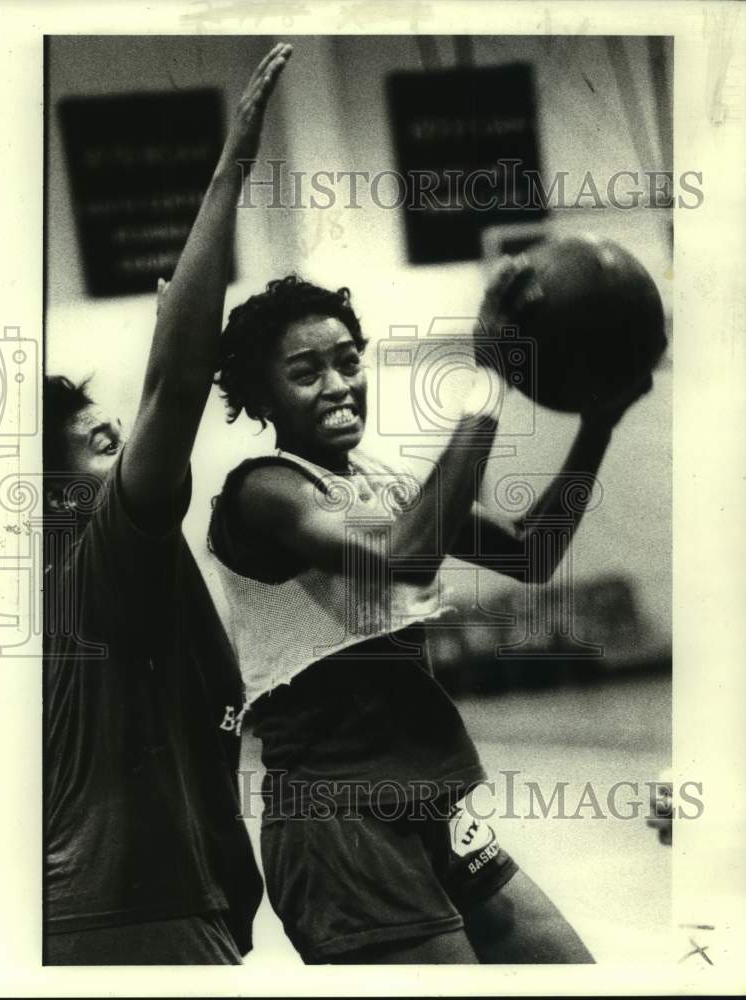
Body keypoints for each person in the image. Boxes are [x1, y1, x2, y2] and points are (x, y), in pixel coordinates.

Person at [206, 265, 651, 964]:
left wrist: (597, 424)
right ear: (262, 395)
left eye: (349, 362)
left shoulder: (381, 481)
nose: (338, 385)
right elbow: (404, 556)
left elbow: (532, 555)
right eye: (306, 372)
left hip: (434, 798)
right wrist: (491, 382)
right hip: (341, 824)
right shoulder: (262, 491)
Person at [43, 43, 292, 965]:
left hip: (112, 906)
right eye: (85, 430)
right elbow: (177, 384)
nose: (110, 432)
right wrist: (233, 164)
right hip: (134, 918)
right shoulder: (97, 552)